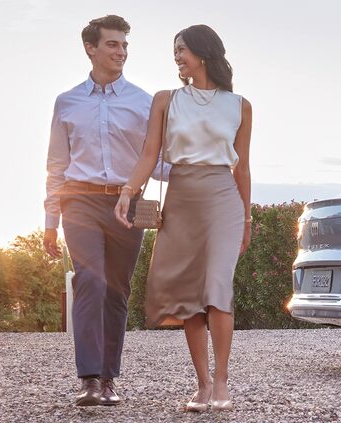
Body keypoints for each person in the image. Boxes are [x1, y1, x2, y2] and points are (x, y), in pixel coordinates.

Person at [115, 24, 253, 413]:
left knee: (217, 287)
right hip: (181, 198)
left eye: (182, 50)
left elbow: (242, 169)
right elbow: (148, 156)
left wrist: (245, 219)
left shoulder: (240, 105)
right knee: (191, 296)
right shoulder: (165, 100)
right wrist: (127, 193)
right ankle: (203, 385)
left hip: (224, 199)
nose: (176, 57)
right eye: (174, 51)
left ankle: (223, 381)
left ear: (203, 53)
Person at [43, 14, 162, 407]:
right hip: (78, 200)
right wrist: (50, 222)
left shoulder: (144, 102)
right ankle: (90, 379)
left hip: (127, 204)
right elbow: (56, 166)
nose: (121, 52)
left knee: (116, 290)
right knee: (89, 281)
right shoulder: (67, 102)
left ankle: (109, 377)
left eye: (125, 45)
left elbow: (159, 161)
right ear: (90, 48)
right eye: (113, 44)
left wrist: (199, 175)